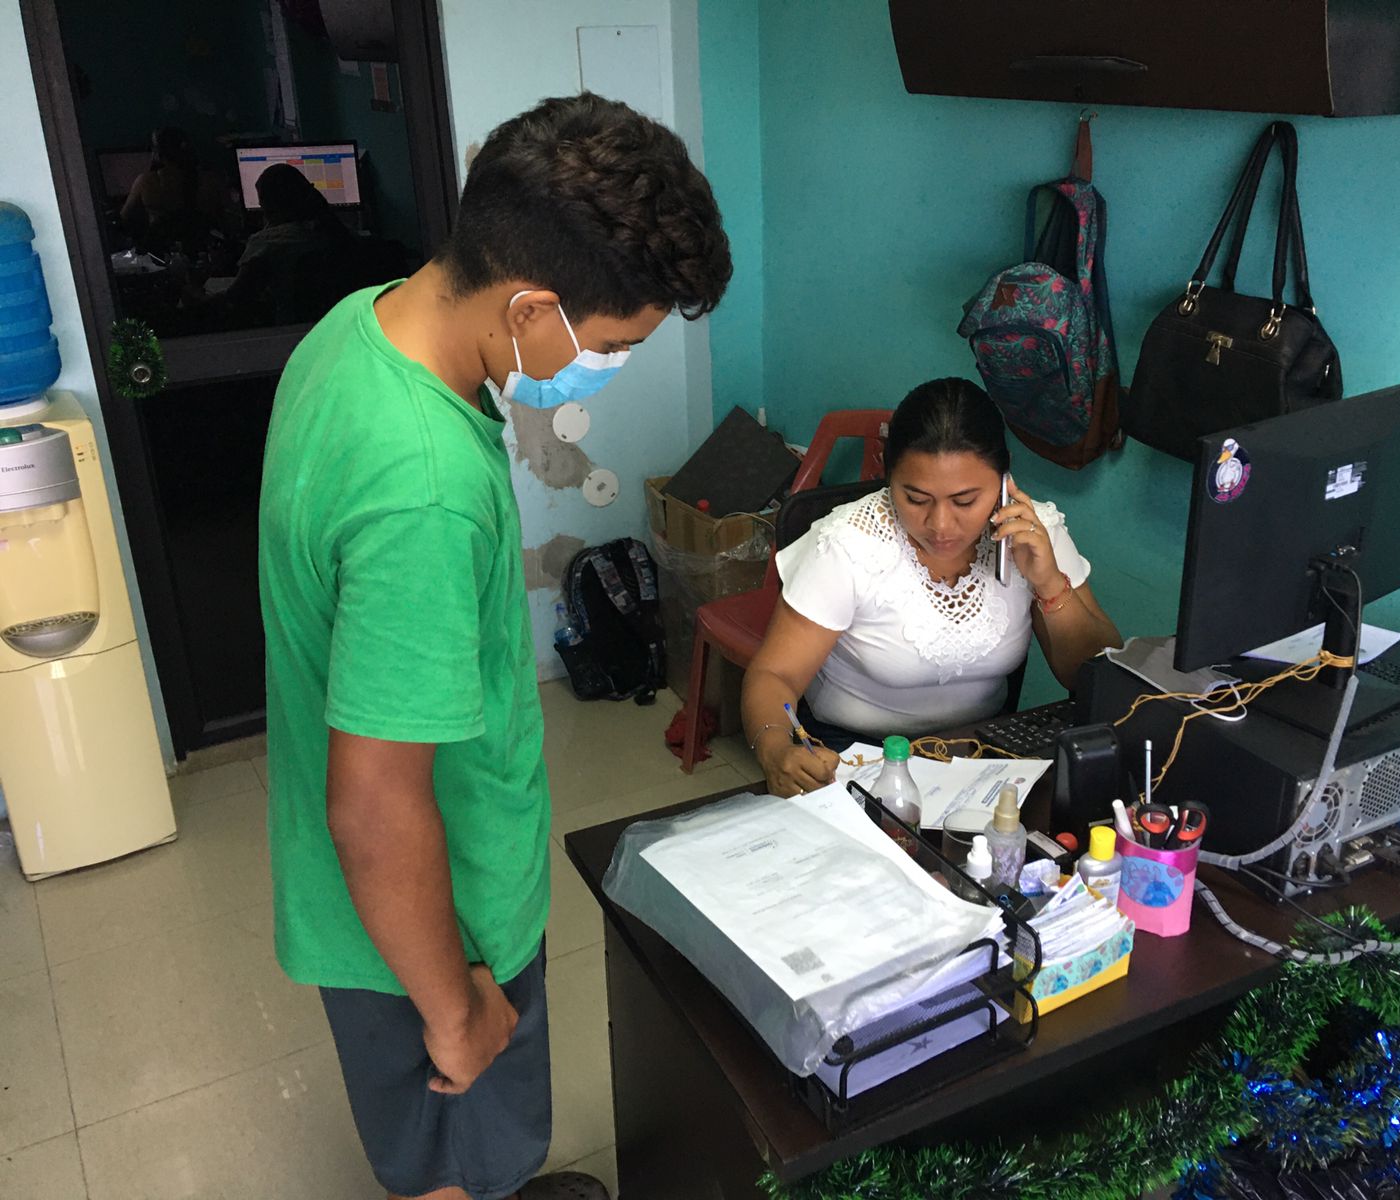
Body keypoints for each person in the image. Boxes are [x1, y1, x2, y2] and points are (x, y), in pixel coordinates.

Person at [258, 95, 731, 1200]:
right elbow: (375, 805)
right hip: (429, 918)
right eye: (609, 347)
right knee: (461, 1161)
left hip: (398, 890)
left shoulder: (360, 328)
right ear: (530, 308)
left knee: (468, 1153)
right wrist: (454, 1008)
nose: (607, 369)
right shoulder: (422, 490)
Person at [742, 377, 1122, 797]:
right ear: (888, 473)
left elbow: (1099, 678)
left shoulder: (1032, 533)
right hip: (853, 755)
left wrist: (1049, 583)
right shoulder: (847, 545)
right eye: (916, 499)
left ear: (1004, 477)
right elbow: (774, 674)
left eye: (965, 501)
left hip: (984, 753)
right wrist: (775, 748)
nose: (940, 525)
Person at [206, 162, 357, 325]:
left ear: (268, 205)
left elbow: (237, 299)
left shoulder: (266, 243)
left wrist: (198, 297)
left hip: (289, 331)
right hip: (339, 325)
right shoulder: (337, 233)